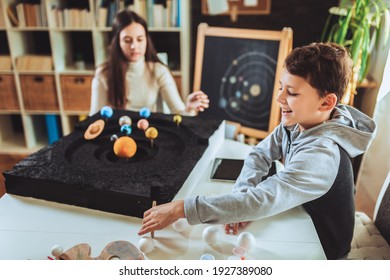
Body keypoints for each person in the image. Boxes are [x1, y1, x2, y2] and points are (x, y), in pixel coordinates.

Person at [138, 42, 377, 259]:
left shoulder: (322, 156)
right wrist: (242, 193)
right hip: (299, 217)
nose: (280, 98)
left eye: (292, 93)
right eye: (282, 87)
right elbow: (259, 154)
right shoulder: (301, 121)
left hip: (322, 247)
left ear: (326, 102)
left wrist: (181, 208)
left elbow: (262, 200)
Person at [89, 10, 209, 116]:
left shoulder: (158, 71)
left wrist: (189, 108)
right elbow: (94, 120)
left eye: (140, 39)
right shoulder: (103, 74)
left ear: (147, 39)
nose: (134, 46)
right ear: (117, 42)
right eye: (127, 40)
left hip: (150, 135)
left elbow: (179, 113)